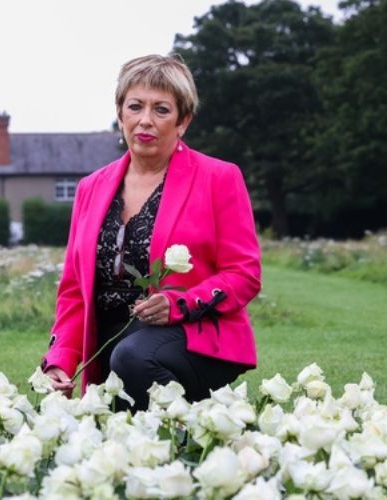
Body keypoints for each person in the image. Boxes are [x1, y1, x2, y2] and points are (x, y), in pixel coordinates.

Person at [40, 54, 261, 411]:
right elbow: (73, 291)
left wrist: (180, 303)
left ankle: (195, 434)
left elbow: (244, 274)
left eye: (161, 110)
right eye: (135, 106)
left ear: (183, 120)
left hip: (194, 336)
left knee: (132, 359)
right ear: (120, 113)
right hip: (110, 343)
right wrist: (59, 360)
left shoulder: (220, 178)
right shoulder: (89, 188)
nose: (145, 120)